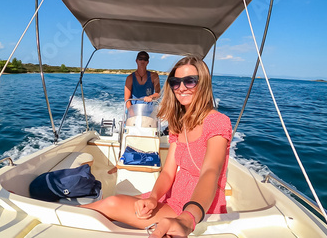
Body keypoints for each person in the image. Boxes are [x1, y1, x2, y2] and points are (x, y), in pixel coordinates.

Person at [82, 56, 232, 238]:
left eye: (190, 81)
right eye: (175, 82)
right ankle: (63, 213)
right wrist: (153, 198)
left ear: (204, 83)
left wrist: (187, 219)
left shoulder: (217, 122)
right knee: (114, 201)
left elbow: (210, 172)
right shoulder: (179, 123)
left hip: (196, 207)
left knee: (111, 204)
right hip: (173, 196)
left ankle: (58, 215)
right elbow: (168, 172)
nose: (181, 87)